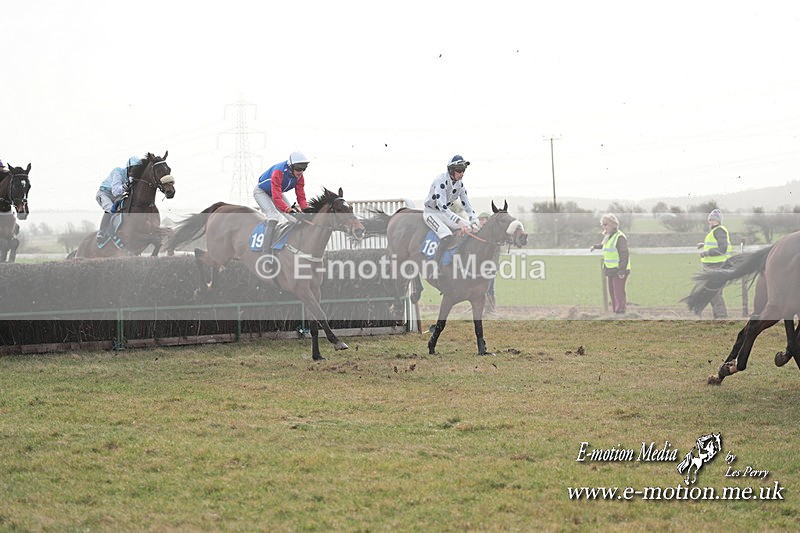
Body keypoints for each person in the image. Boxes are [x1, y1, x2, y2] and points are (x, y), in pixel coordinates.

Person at [253, 151, 310, 262]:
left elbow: (301, 196)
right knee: (273, 216)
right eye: (298, 169)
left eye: (304, 169)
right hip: (262, 192)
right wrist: (289, 210)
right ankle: (266, 253)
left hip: (276, 192)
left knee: (295, 220)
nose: (301, 172)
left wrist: (306, 210)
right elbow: (277, 199)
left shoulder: (300, 177)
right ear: (290, 167)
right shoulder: (278, 172)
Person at [423, 155, 479, 265]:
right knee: (446, 235)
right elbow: (442, 206)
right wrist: (459, 221)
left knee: (469, 229)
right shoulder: (440, 180)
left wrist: (473, 222)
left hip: (445, 214)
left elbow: (467, 206)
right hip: (431, 213)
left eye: (463, 170)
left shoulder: (460, 185)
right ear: (451, 170)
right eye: (459, 170)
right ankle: (436, 266)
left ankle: (460, 260)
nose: (462, 174)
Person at [95, 155, 143, 243]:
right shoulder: (118, 171)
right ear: (128, 168)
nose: (134, 173)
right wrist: (127, 185)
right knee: (110, 209)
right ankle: (101, 233)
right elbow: (115, 191)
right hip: (104, 194)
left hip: (117, 197)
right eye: (133, 169)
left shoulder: (132, 177)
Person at [590, 213, 630, 314]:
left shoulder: (620, 237)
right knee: (612, 292)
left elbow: (624, 255)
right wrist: (595, 246)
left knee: (618, 292)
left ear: (613, 224)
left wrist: (622, 271)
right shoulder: (608, 236)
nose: (604, 227)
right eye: (603, 225)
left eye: (606, 224)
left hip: (619, 270)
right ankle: (615, 312)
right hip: (610, 269)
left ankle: (620, 312)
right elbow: (604, 246)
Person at [697, 208, 730, 319]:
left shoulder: (719, 231)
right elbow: (715, 244)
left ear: (718, 221)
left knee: (715, 292)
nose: (710, 221)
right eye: (710, 219)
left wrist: (707, 252)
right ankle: (717, 317)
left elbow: (723, 248)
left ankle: (722, 317)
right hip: (711, 265)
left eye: (713, 219)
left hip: (717, 265)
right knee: (710, 292)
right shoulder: (714, 231)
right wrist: (704, 245)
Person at [478, 211, 497, 313]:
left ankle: (490, 309)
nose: (480, 222)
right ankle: (481, 308)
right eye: (479, 220)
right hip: (478, 266)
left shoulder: (493, 235)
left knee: (489, 288)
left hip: (490, 265)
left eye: (482, 220)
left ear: (488, 220)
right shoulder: (478, 232)